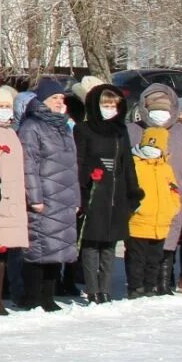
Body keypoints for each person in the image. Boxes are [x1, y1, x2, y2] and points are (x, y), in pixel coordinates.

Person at [126, 84, 182, 296]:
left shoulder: (181, 132)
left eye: (165, 109)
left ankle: (162, 282)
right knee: (138, 246)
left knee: (167, 239)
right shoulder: (133, 130)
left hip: (169, 199)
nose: (160, 114)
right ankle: (136, 286)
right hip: (139, 201)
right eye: (154, 108)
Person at [18, 80, 81, 312]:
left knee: (57, 249)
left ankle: (48, 296)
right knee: (39, 249)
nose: (59, 102)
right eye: (55, 98)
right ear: (43, 100)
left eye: (62, 99)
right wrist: (35, 198)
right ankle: (34, 296)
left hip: (63, 197)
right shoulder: (32, 127)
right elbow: (29, 164)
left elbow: (72, 165)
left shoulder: (63, 127)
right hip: (44, 197)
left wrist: (76, 199)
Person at [75, 83, 141, 304]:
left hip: (115, 193)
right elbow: (80, 161)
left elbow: (128, 163)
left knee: (110, 244)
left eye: (114, 105)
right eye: (106, 104)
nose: (110, 108)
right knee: (92, 243)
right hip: (94, 191)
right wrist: (84, 186)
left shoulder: (120, 130)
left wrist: (133, 192)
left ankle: (105, 288)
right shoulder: (84, 129)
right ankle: (92, 289)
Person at [0, 86, 27, 315]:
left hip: (13, 202)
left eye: (7, 106)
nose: (4, 110)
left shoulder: (12, 133)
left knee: (3, 254)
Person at [127, 126, 182, 298]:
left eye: (157, 145)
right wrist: (134, 209)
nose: (153, 149)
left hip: (160, 222)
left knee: (154, 259)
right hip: (138, 222)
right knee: (137, 259)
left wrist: (172, 208)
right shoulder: (134, 164)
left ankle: (150, 287)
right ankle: (136, 288)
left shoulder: (166, 168)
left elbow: (174, 191)